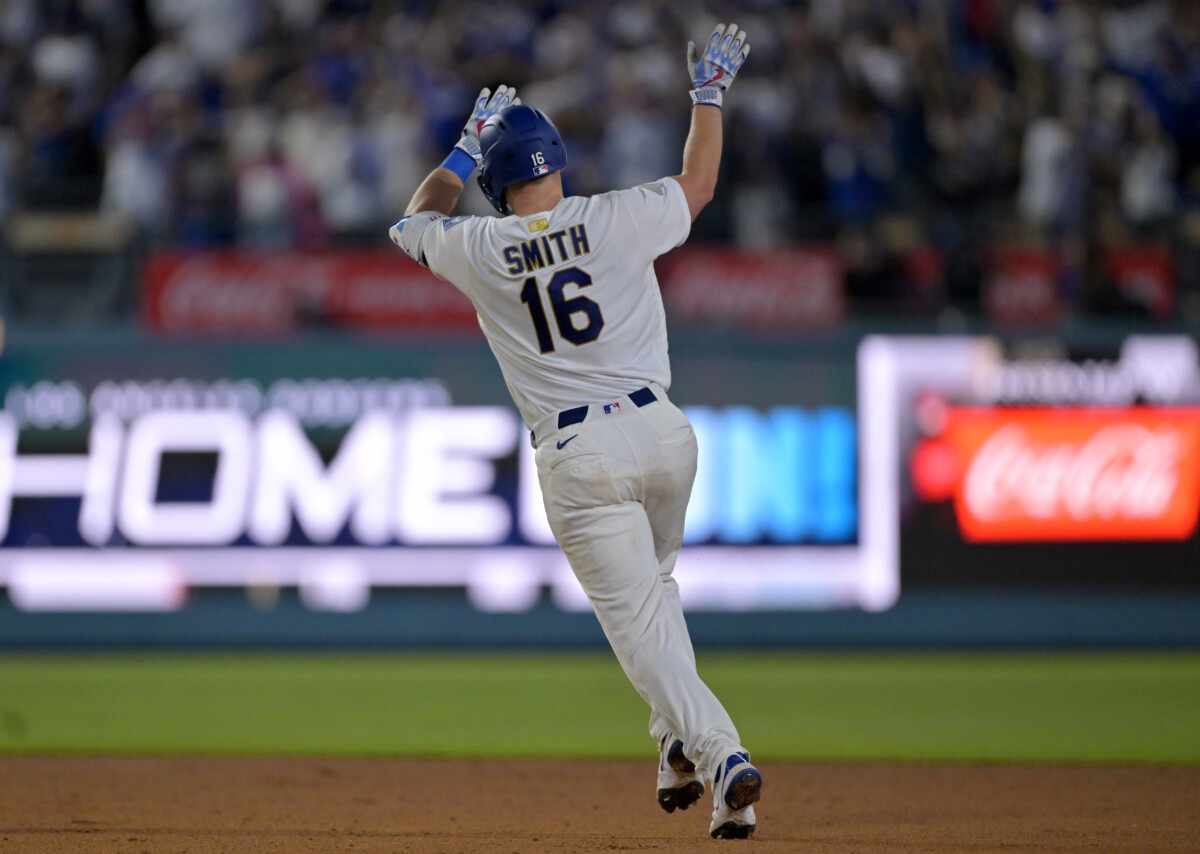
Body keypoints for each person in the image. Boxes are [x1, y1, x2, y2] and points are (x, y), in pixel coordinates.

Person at [389, 23, 758, 840]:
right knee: (658, 602)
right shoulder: (619, 217)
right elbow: (699, 184)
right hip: (663, 434)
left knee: (639, 635)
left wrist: (458, 150)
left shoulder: (481, 246)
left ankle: (723, 753)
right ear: (558, 162)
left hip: (579, 456)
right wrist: (709, 93)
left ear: (495, 181)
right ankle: (674, 749)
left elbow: (411, 223)